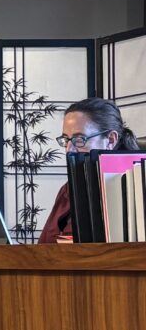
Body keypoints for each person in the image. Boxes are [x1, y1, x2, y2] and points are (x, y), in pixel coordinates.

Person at [39, 97, 140, 244]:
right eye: (66, 140)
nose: (69, 150)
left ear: (111, 139)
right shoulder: (68, 189)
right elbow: (44, 245)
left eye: (79, 139)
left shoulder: (136, 186)